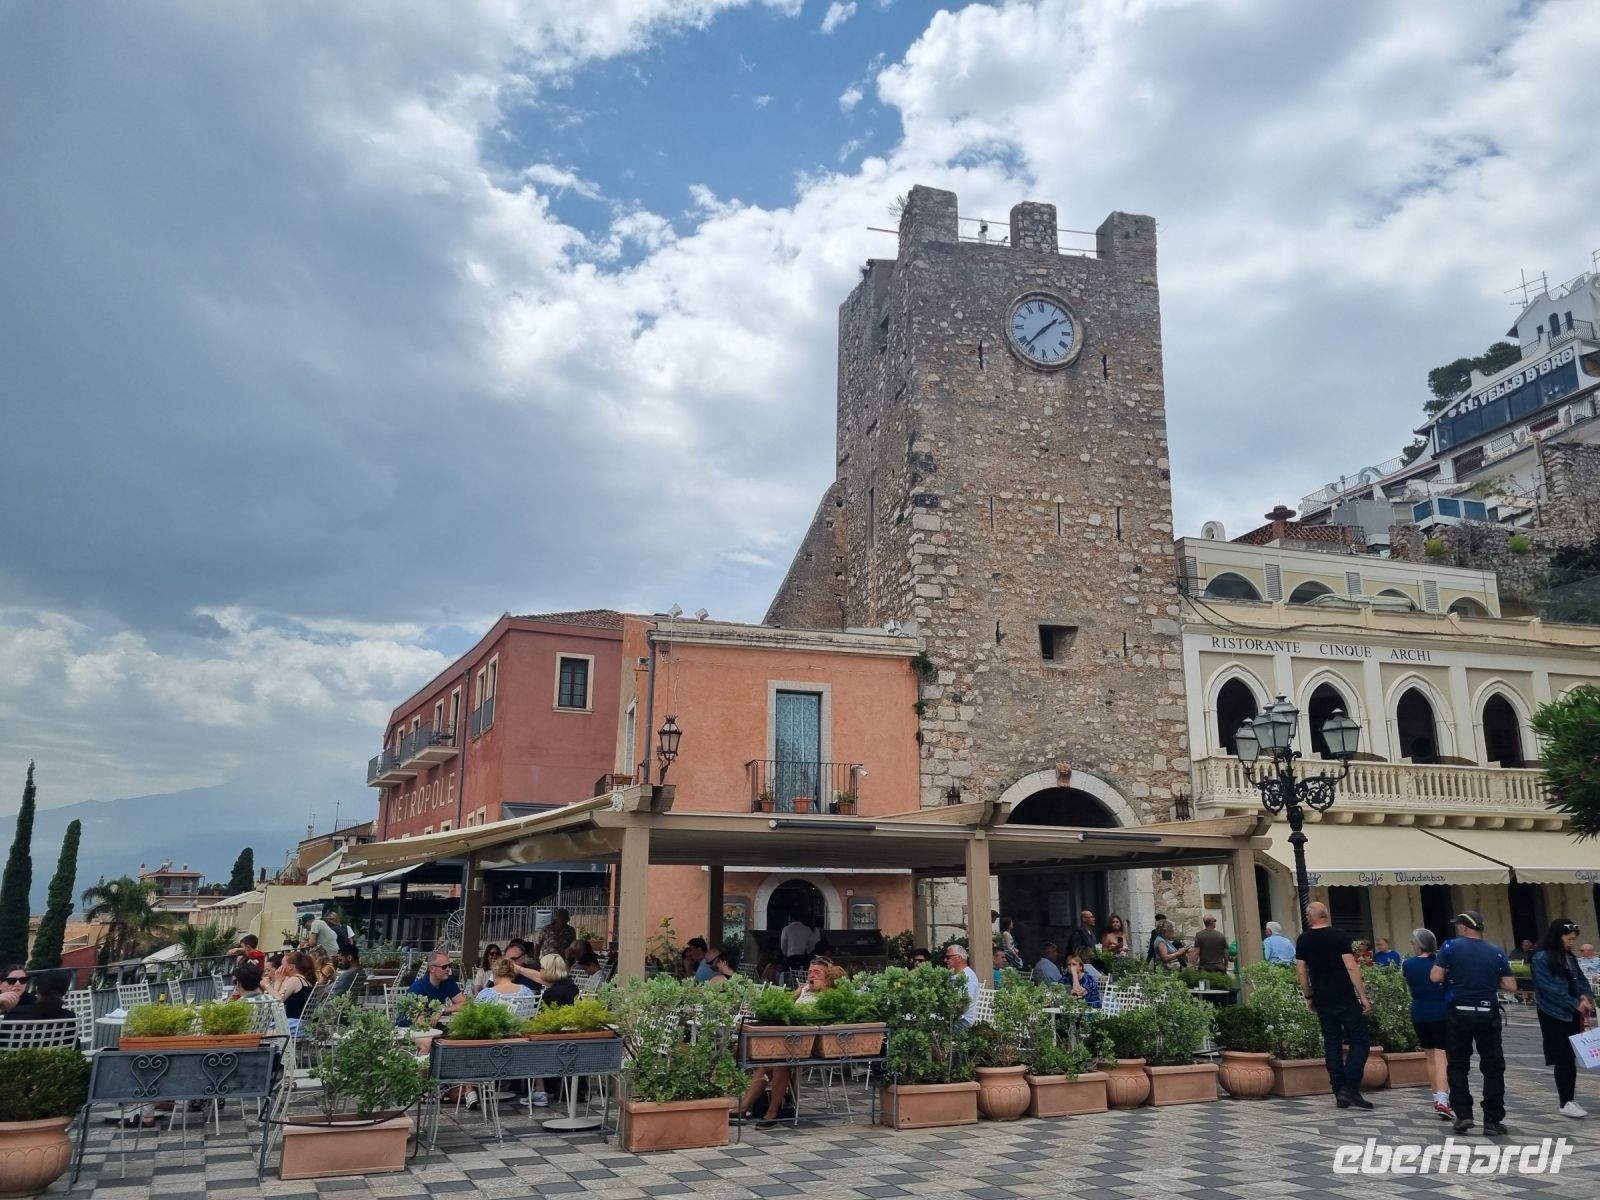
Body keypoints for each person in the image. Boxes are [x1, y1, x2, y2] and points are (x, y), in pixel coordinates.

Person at [1431, 910, 1515, 1136]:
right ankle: (1493, 1120)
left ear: (1464, 927)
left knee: (1458, 1064)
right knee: (1493, 1067)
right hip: (1488, 1013)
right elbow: (1511, 985)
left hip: (1459, 1012)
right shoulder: (1496, 951)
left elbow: (1435, 977)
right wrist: (1489, 978)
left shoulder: (1450, 947)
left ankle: (1463, 1114)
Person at [738, 959, 842, 1128]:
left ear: (827, 977)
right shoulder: (803, 990)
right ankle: (743, 1109)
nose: (811, 976)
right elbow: (784, 1005)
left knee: (780, 1064)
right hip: (791, 1041)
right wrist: (795, 994)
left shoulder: (830, 995)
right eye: (810, 972)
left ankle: (772, 1113)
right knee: (765, 1063)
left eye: (817, 973)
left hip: (813, 1045)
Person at [1296, 901, 1374, 1110]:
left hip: (1322, 996)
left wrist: (1309, 995)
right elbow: (1351, 966)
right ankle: (1351, 1084)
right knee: (1360, 1039)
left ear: (1310, 917)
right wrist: (1363, 996)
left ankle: (1339, 1089)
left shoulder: (1304, 939)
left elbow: (1301, 970)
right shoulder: (1339, 936)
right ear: (1326, 915)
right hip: (1344, 995)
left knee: (1332, 1043)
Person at [1530, 918, 1595, 1119]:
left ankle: (1569, 1099)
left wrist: (1585, 996)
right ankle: (1566, 1101)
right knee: (1563, 1057)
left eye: (1574, 939)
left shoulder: (1568, 957)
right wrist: (1574, 1002)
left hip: (1572, 1012)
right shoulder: (1541, 957)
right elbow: (1548, 988)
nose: (1571, 943)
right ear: (1558, 936)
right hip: (1553, 1013)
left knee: (1569, 1057)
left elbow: (1581, 979)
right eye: (1569, 939)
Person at [1402, 929, 1452, 1120]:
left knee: (1430, 1057)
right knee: (1442, 1057)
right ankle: (1443, 1098)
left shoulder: (1408, 964)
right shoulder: (1441, 964)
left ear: (1418, 945)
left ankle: (1437, 1096)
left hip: (1419, 1013)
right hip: (1440, 1011)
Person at [404, 951, 465, 1027]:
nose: (448, 969)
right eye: (444, 966)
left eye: (449, 965)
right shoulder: (418, 988)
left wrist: (442, 1010)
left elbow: (464, 1004)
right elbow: (419, 1021)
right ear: (432, 969)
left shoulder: (448, 982)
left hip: (433, 1025)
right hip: (409, 1028)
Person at [268, 951, 317, 1020]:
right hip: (301, 1022)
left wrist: (270, 984)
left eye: (282, 964)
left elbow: (276, 1001)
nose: (280, 967)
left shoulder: (294, 980)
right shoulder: (305, 979)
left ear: (291, 967)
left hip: (292, 1022)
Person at [944, 944, 981, 1028]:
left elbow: (963, 1004)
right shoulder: (952, 975)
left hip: (962, 1021)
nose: (945, 960)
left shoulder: (968, 977)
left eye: (948, 957)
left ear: (959, 958)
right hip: (950, 1019)